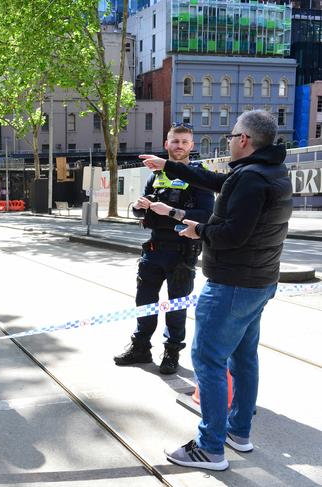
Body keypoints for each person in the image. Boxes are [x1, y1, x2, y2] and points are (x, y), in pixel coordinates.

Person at [141, 110, 292, 471]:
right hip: (258, 280)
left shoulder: (251, 179)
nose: (227, 141)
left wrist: (198, 231)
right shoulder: (268, 172)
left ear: (243, 139)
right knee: (244, 357)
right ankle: (238, 432)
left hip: (233, 283)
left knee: (208, 360)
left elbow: (231, 234)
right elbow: (213, 181)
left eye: (230, 135)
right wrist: (168, 166)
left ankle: (209, 447)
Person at [114, 123, 214, 374]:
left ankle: (171, 352)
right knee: (144, 301)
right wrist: (140, 206)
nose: (179, 146)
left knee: (176, 305)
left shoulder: (199, 175)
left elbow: (206, 214)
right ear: (166, 144)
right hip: (154, 247)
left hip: (183, 249)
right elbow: (141, 209)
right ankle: (141, 348)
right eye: (175, 141)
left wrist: (171, 212)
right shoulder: (156, 175)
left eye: (184, 142)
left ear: (191, 146)